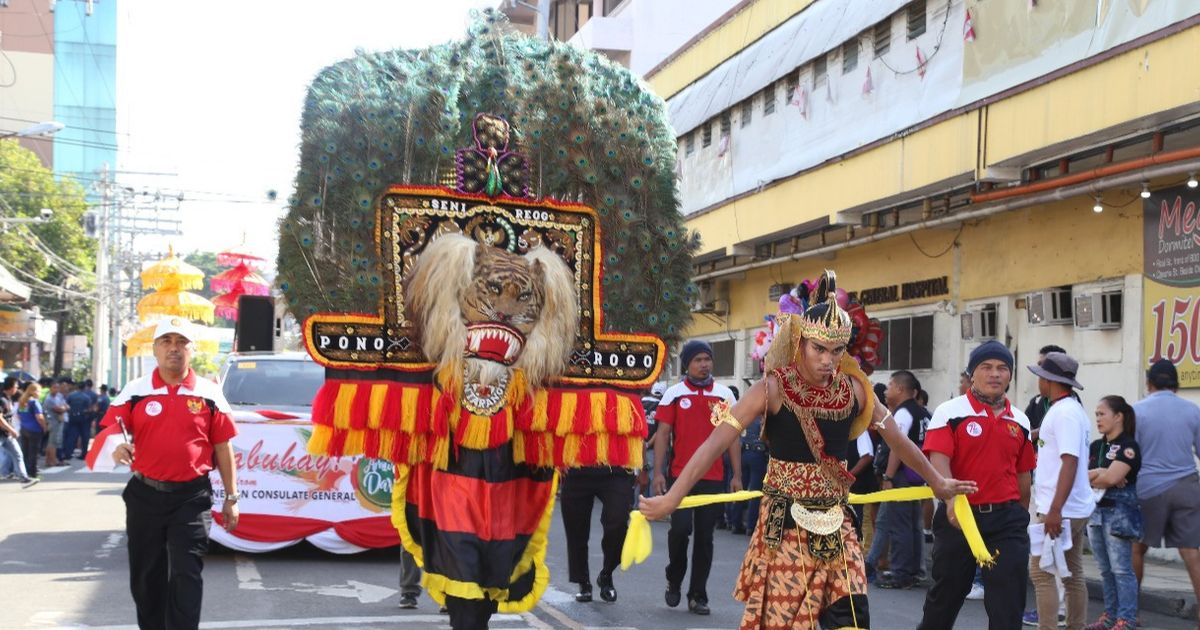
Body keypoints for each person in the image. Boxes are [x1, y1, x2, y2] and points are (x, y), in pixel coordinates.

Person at [642, 271, 975, 629]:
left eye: (836, 351)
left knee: (852, 619)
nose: (827, 361)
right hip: (784, 524)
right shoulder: (771, 389)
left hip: (838, 524)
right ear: (800, 342)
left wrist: (938, 483)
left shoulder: (855, 389)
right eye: (819, 349)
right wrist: (673, 497)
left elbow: (899, 441)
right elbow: (714, 444)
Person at [107, 318, 240, 630]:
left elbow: (223, 447)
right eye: (166, 341)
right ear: (155, 349)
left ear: (191, 350)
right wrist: (117, 445)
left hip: (191, 497)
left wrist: (232, 498)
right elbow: (113, 426)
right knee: (146, 574)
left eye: (181, 342)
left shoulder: (209, 393)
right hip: (145, 495)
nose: (174, 348)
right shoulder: (135, 390)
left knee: (186, 573)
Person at [917, 340, 1037, 630]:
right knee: (945, 597)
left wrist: (1022, 514)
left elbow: (1023, 475)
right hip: (960, 516)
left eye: (1002, 368)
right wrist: (950, 503)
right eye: (986, 367)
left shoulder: (1019, 420)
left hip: (1006, 521)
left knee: (1008, 604)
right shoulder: (950, 412)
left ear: (1010, 375)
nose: (995, 374)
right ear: (973, 374)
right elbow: (938, 460)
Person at [651, 339, 742, 615]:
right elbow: (663, 434)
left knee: (705, 538)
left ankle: (697, 595)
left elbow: (733, 437)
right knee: (679, 531)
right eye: (698, 360)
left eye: (707, 359)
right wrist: (657, 472)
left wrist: (736, 474)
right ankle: (674, 579)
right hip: (680, 476)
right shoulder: (674, 394)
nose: (704, 364)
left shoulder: (725, 395)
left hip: (712, 478)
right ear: (687, 364)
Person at [1027, 352, 1094, 630]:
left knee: (1041, 572)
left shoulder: (1064, 412)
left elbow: (1070, 461)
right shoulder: (1068, 409)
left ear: (1048, 380)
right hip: (1072, 506)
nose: (1038, 381)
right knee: (1072, 574)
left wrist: (1055, 509)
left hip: (1060, 509)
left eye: (1040, 375)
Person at [1131, 359, 1200, 628]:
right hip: (1186, 485)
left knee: (1136, 548)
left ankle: (1132, 612)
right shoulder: (1193, 411)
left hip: (1147, 488)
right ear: (1176, 385)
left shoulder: (1136, 411)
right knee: (1192, 553)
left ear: (1149, 383)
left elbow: (1131, 454)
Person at [1085, 396, 1141, 630]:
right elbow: (1082, 478)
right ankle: (1109, 617)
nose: (1097, 419)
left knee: (1121, 569)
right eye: (1096, 414)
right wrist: (1101, 474)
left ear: (1118, 416)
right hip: (1095, 512)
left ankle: (1126, 619)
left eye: (1102, 414)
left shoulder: (1128, 446)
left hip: (1118, 514)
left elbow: (1111, 478)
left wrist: (1100, 475)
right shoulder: (1097, 446)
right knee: (1105, 569)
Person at [875, 370, 930, 590]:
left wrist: (888, 476)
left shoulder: (904, 414)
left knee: (900, 526)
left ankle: (901, 573)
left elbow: (898, 447)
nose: (887, 391)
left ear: (900, 389)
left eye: (889, 386)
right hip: (917, 475)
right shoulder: (923, 413)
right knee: (913, 525)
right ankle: (914, 570)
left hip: (902, 476)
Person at [560, 465, 634, 603]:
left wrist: (645, 467)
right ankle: (583, 582)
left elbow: (639, 441)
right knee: (575, 527)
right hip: (577, 464)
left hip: (614, 466)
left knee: (618, 521)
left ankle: (606, 573)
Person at [729, 414, 769, 535]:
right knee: (754, 492)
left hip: (743, 453)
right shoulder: (764, 417)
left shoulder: (747, 416)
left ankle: (734, 523)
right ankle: (751, 526)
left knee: (741, 490)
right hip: (758, 454)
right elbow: (766, 439)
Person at [1025, 345, 1067, 446]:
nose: (1039, 369)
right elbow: (1024, 433)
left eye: (1043, 365)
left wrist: (1041, 431)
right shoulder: (1036, 401)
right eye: (1039, 365)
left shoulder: (1070, 402)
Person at [0, 376, 34, 484]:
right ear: (10, 387)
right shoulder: (2, 400)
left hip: (6, 434)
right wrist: (12, 430)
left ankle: (23, 477)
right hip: (3, 433)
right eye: (16, 386)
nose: (17, 388)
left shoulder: (8, 398)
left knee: (17, 454)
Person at [16, 382, 46, 479]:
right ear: (33, 391)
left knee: (25, 451)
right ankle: (32, 473)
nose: (39, 393)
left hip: (24, 428)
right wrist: (44, 426)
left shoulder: (22, 401)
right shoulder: (34, 402)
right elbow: (39, 417)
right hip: (35, 429)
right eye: (38, 391)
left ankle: (24, 472)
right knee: (33, 452)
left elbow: (19, 415)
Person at [65, 378, 96, 460]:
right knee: (84, 436)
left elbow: (66, 405)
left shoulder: (71, 395)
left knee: (71, 436)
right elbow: (90, 409)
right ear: (84, 387)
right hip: (84, 419)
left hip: (72, 417)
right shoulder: (87, 397)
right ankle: (84, 454)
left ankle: (68, 453)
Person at [45, 379, 69, 465]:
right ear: (50, 388)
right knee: (53, 442)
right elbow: (58, 409)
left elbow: (66, 406)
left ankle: (49, 460)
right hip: (53, 422)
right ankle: (53, 460)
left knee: (54, 442)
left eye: (58, 388)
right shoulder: (49, 399)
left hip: (58, 421)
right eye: (54, 387)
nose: (57, 389)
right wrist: (63, 408)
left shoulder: (58, 397)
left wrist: (64, 408)